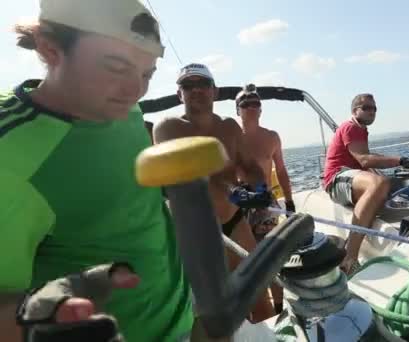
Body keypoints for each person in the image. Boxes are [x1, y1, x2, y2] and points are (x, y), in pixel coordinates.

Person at [0, 1, 195, 341]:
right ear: (50, 47)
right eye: (116, 66)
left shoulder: (121, 106)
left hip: (184, 322)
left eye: (147, 73)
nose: (136, 90)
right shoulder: (10, 156)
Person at [152, 64, 276, 322]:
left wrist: (260, 190)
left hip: (234, 223)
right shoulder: (167, 128)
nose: (196, 89)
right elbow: (191, 176)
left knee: (260, 300)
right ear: (179, 94)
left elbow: (251, 167)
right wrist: (235, 192)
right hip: (193, 233)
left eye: (203, 84)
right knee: (208, 316)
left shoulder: (231, 127)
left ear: (215, 91)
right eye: (188, 85)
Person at [323, 93, 409, 274]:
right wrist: (401, 160)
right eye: (367, 108)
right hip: (337, 180)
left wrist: (400, 168)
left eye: (374, 108)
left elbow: (365, 161)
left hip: (354, 180)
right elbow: (364, 160)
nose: (372, 112)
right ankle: (350, 257)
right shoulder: (350, 127)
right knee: (379, 183)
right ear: (355, 110)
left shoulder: (361, 130)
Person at [235, 84, 295, 313]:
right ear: (237, 110)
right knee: (245, 261)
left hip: (267, 204)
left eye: (255, 103)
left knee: (271, 259)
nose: (251, 106)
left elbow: (281, 170)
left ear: (261, 109)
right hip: (238, 205)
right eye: (245, 103)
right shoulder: (231, 137)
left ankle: (278, 310)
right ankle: (255, 311)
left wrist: (289, 201)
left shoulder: (272, 137)